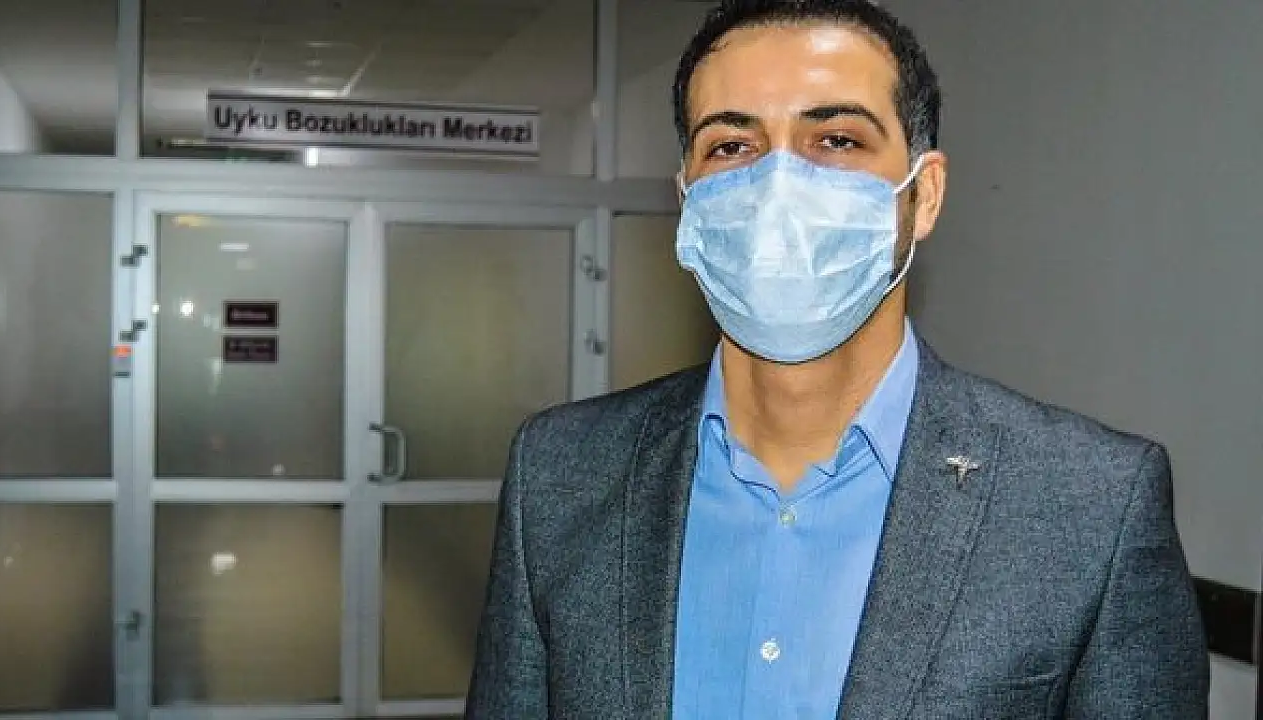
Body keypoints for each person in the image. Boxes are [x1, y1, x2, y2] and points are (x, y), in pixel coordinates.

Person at [465, 0, 1210, 717]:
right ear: (687, 199)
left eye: (837, 140)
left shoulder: (1090, 504)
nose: (778, 188)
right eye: (732, 146)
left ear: (924, 195)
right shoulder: (562, 473)